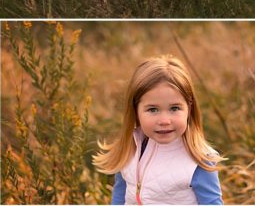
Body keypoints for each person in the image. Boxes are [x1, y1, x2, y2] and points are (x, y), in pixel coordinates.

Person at [93, 55, 224, 205]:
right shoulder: (130, 148)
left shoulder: (199, 160)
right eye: (153, 110)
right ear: (135, 110)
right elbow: (119, 196)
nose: (164, 121)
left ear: (189, 108)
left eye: (174, 108)